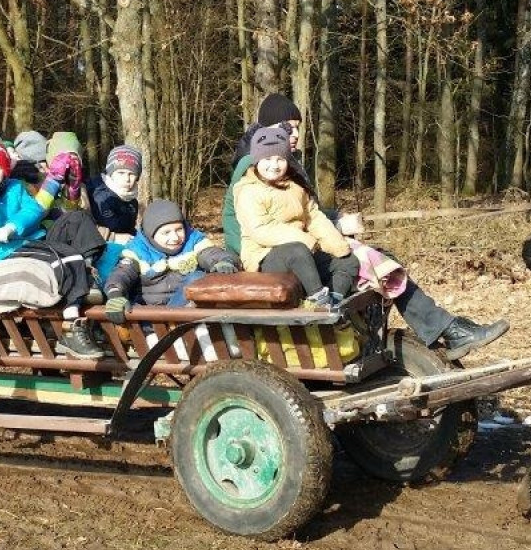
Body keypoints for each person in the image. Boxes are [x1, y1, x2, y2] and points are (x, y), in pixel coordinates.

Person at [223, 93, 509, 361]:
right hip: (276, 256)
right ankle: (444, 329)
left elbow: (303, 210)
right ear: (267, 130)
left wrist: (335, 222)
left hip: (301, 244)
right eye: (287, 127)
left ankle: (419, 332)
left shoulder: (284, 162)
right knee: (380, 265)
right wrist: (300, 246)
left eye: (297, 127)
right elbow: (245, 228)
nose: (295, 133)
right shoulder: (254, 164)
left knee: (375, 259)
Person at [0, 135, 105, 359]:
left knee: (77, 219)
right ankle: (71, 325)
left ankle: (88, 271)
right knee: (66, 255)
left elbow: (33, 210)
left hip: (27, 237)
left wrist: (13, 226)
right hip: (1, 249)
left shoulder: (14, 186)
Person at [233, 127, 359, 311]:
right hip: (264, 256)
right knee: (296, 251)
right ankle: (317, 300)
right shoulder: (248, 191)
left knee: (348, 261)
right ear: (257, 161)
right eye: (267, 159)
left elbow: (314, 217)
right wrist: (305, 240)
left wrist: (336, 245)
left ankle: (333, 301)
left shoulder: (295, 188)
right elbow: (261, 230)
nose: (274, 165)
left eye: (280, 159)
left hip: (304, 250)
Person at [103, 199, 239, 323]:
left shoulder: (193, 242)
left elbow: (210, 253)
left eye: (179, 230)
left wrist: (223, 261)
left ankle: (174, 323)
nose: (175, 237)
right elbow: (122, 274)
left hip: (185, 311)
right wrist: (115, 293)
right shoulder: (138, 251)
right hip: (152, 316)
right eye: (166, 233)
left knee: (197, 278)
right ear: (151, 234)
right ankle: (167, 326)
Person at [89, 144, 141, 244]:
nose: (127, 179)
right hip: (98, 246)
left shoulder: (131, 201)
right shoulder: (96, 194)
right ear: (110, 173)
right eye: (121, 173)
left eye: (131, 174)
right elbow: (83, 229)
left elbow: (128, 229)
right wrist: (113, 237)